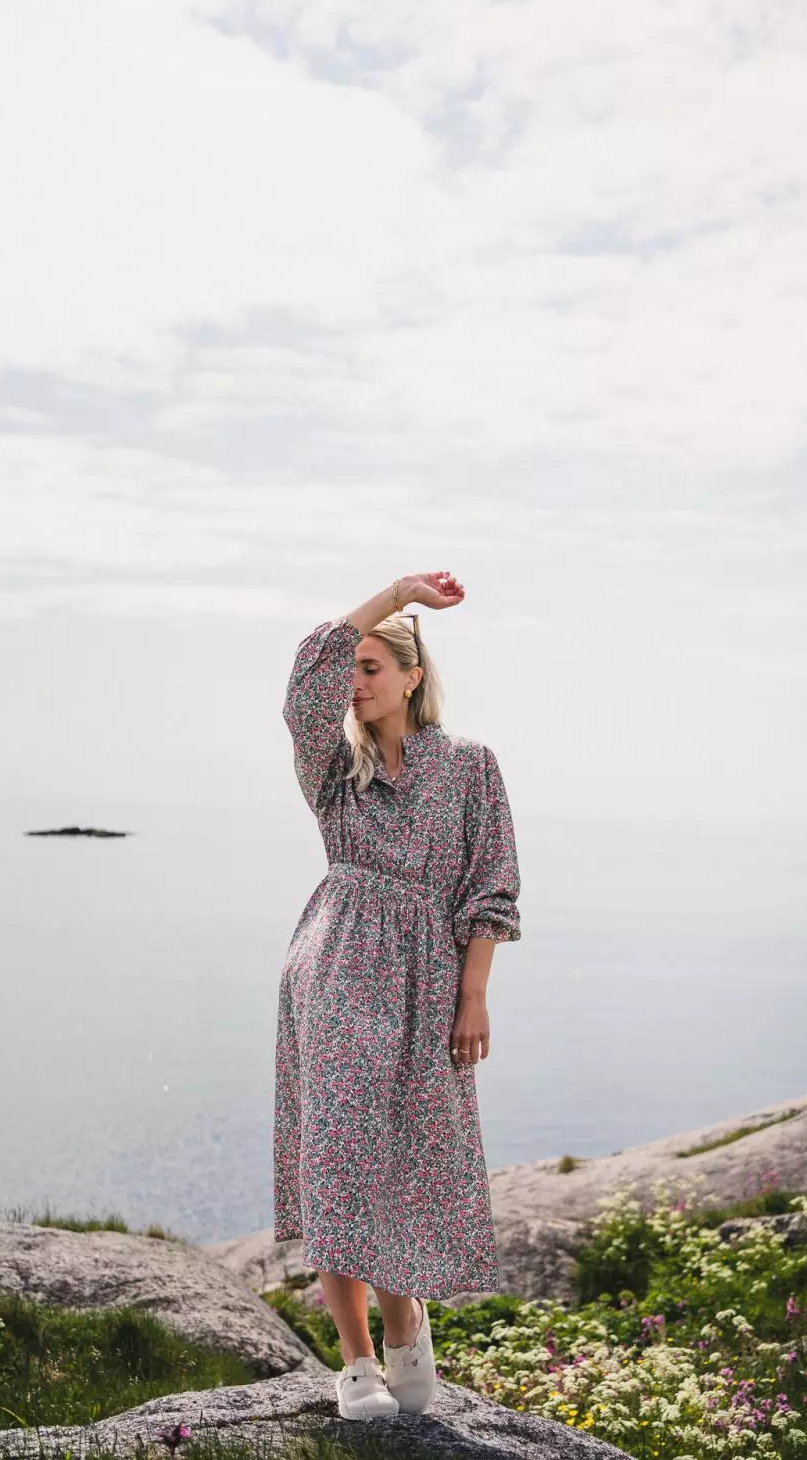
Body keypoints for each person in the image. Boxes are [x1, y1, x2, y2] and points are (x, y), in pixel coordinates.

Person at [273, 570, 522, 1420]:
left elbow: (492, 885)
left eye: (373, 666)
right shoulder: (333, 769)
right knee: (337, 1162)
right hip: (336, 972)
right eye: (353, 667)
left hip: (428, 981)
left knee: (408, 1161)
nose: (355, 680)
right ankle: (357, 1365)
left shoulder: (470, 768)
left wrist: (474, 994)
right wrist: (393, 593)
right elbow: (304, 684)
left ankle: (408, 1329)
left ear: (414, 676)